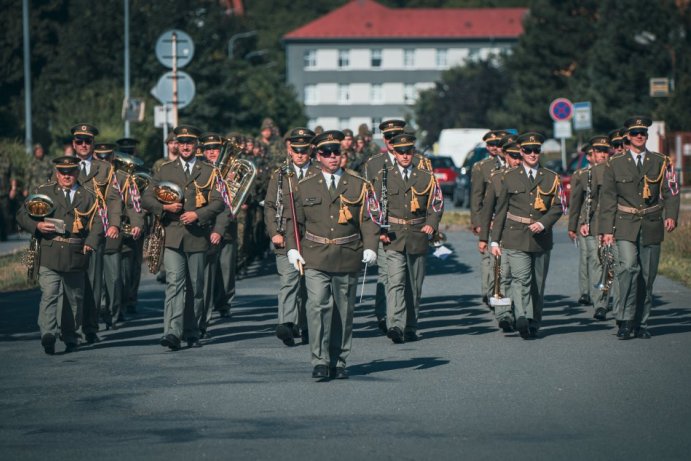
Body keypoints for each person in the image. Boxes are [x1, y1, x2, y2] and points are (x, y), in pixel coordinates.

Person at [286, 130, 379, 380]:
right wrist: (292, 247)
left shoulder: (359, 185)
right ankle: (319, 359)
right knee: (316, 306)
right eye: (326, 153)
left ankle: (338, 360)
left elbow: (370, 218)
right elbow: (293, 221)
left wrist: (371, 245)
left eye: (336, 152)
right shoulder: (304, 186)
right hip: (315, 255)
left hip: (347, 254)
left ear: (342, 155)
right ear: (318, 157)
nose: (332, 157)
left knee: (343, 311)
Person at [142, 125, 225, 350]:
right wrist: (165, 207)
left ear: (196, 145)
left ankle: (193, 329)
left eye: (190, 142)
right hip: (172, 235)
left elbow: (219, 202)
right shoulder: (165, 170)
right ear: (176, 144)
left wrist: (198, 213)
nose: (186, 146)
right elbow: (146, 198)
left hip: (197, 236)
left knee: (196, 287)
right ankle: (172, 332)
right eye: (182, 142)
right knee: (175, 284)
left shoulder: (208, 171)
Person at [599, 116, 680, 340]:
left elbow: (671, 190)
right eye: (635, 133)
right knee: (628, 268)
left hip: (652, 223)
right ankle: (624, 319)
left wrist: (671, 215)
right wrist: (606, 230)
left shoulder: (661, 161)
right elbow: (607, 198)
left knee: (647, 276)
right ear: (628, 137)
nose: (639, 136)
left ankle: (641, 323)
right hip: (625, 223)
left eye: (643, 132)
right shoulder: (615, 163)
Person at [16, 156, 103, 354]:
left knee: (74, 299)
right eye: (62, 172)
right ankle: (48, 333)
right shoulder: (43, 191)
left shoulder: (88, 195)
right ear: (56, 174)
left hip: (76, 253)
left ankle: (71, 335)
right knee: (49, 294)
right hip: (50, 251)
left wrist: (91, 242)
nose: (66, 176)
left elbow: (99, 221)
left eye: (71, 172)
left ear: (77, 173)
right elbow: (22, 214)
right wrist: (36, 225)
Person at [490, 132, 564, 339]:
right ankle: (522, 316)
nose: (532, 154)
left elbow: (559, 206)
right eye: (528, 150)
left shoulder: (551, 177)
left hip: (541, 238)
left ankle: (534, 322)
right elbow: (501, 210)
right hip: (515, 235)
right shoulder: (509, 177)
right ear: (520, 152)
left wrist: (543, 222)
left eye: (536, 150)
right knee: (521, 279)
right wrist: (495, 240)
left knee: (537, 284)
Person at [376, 133, 443, 343]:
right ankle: (395, 324)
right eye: (401, 152)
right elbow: (374, 207)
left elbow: (437, 203)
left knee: (414, 284)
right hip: (394, 235)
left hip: (417, 234)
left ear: (413, 152)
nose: (405, 156)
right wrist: (380, 231)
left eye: (409, 151)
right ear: (393, 153)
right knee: (395, 281)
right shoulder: (383, 176)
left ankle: (411, 325)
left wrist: (432, 224)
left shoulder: (426, 176)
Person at [264, 127, 319, 346]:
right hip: (286, 236)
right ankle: (286, 323)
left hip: (312, 238)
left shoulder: (319, 173)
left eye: (304, 150)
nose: (300, 154)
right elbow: (269, 206)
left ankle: (306, 326)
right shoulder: (280, 175)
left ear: (310, 150)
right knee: (289, 281)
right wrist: (274, 233)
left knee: (308, 286)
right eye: (296, 150)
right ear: (290, 150)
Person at [70, 124, 122, 344]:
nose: (83, 145)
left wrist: (115, 224)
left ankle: (90, 327)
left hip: (96, 229)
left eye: (87, 141)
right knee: (70, 283)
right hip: (69, 230)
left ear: (92, 144)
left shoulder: (105, 168)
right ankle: (70, 327)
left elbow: (114, 198)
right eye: (79, 141)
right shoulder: (64, 166)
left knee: (93, 283)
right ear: (73, 143)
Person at [363, 119, 406, 333]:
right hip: (382, 227)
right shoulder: (373, 163)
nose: (392, 141)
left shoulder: (416, 161)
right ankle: (384, 315)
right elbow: (369, 199)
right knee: (385, 273)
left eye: (396, 136)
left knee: (403, 276)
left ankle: (400, 316)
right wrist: (375, 229)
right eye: (388, 137)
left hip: (406, 228)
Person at [478, 136, 522, 332]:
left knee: (520, 275)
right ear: (505, 156)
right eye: (513, 156)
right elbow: (487, 210)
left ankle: (520, 311)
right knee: (502, 273)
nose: (518, 160)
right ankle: (504, 314)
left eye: (520, 156)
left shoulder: (531, 176)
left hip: (523, 233)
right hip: (502, 232)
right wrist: (483, 237)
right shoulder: (497, 178)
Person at [199, 132, 235, 335]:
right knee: (207, 272)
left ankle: (224, 303)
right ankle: (205, 311)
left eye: (216, 149)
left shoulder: (230, 171)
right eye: (208, 149)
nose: (212, 152)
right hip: (205, 226)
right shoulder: (200, 170)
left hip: (227, 227)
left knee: (226, 269)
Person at [470, 130, 508, 306]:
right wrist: (478, 222)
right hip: (489, 217)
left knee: (503, 257)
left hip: (507, 218)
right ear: (487, 147)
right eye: (492, 145)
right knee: (488, 257)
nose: (495, 148)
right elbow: (476, 197)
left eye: (499, 144)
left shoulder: (513, 162)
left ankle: (497, 290)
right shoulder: (481, 166)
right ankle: (488, 290)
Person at [579, 136, 612, 321]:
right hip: (598, 223)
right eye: (599, 151)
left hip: (619, 222)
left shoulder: (618, 167)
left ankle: (615, 301)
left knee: (614, 265)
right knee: (599, 263)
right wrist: (585, 221)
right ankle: (600, 303)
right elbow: (590, 200)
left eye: (605, 151)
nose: (602, 155)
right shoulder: (594, 172)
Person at [567, 144, 594, 306]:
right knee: (586, 257)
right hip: (585, 222)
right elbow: (575, 202)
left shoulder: (611, 172)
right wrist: (572, 226)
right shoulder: (580, 174)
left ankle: (602, 292)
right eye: (593, 153)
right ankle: (585, 292)